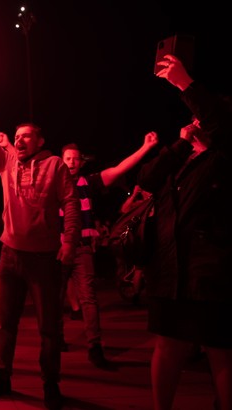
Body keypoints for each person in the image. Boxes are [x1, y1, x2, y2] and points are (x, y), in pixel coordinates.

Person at [0, 83, 81, 408]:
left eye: (26, 136)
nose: (19, 140)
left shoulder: (55, 166)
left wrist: (69, 242)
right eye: (16, 135)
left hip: (43, 259)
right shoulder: (7, 162)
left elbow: (72, 202)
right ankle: (1, 375)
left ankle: (51, 384)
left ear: (40, 141)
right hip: (9, 257)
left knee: (49, 328)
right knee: (4, 323)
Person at [138, 54, 232, 410]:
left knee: (221, 351)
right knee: (168, 346)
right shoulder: (185, 158)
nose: (196, 119)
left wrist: (184, 84)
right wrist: (180, 143)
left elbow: (222, 125)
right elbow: (147, 179)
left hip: (209, 273)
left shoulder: (223, 157)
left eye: (201, 116)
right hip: (169, 270)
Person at [58, 131, 158, 367]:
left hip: (82, 249)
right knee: (54, 299)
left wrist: (145, 148)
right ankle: (56, 339)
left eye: (75, 159)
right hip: (58, 249)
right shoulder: (52, 183)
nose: (72, 163)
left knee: (89, 300)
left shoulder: (89, 183)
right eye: (68, 159)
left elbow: (119, 169)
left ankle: (95, 346)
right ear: (60, 162)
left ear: (81, 162)